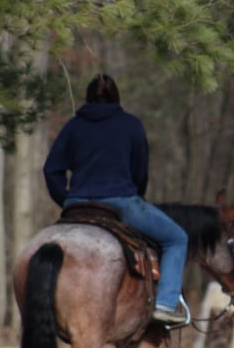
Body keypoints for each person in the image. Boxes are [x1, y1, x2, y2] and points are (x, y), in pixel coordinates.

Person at [43, 73, 188, 324]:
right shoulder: (131, 125)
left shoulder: (73, 126)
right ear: (116, 97)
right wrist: (137, 195)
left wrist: (66, 200)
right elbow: (140, 171)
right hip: (121, 203)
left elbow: (51, 170)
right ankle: (165, 304)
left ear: (88, 98)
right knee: (177, 238)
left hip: (77, 204)